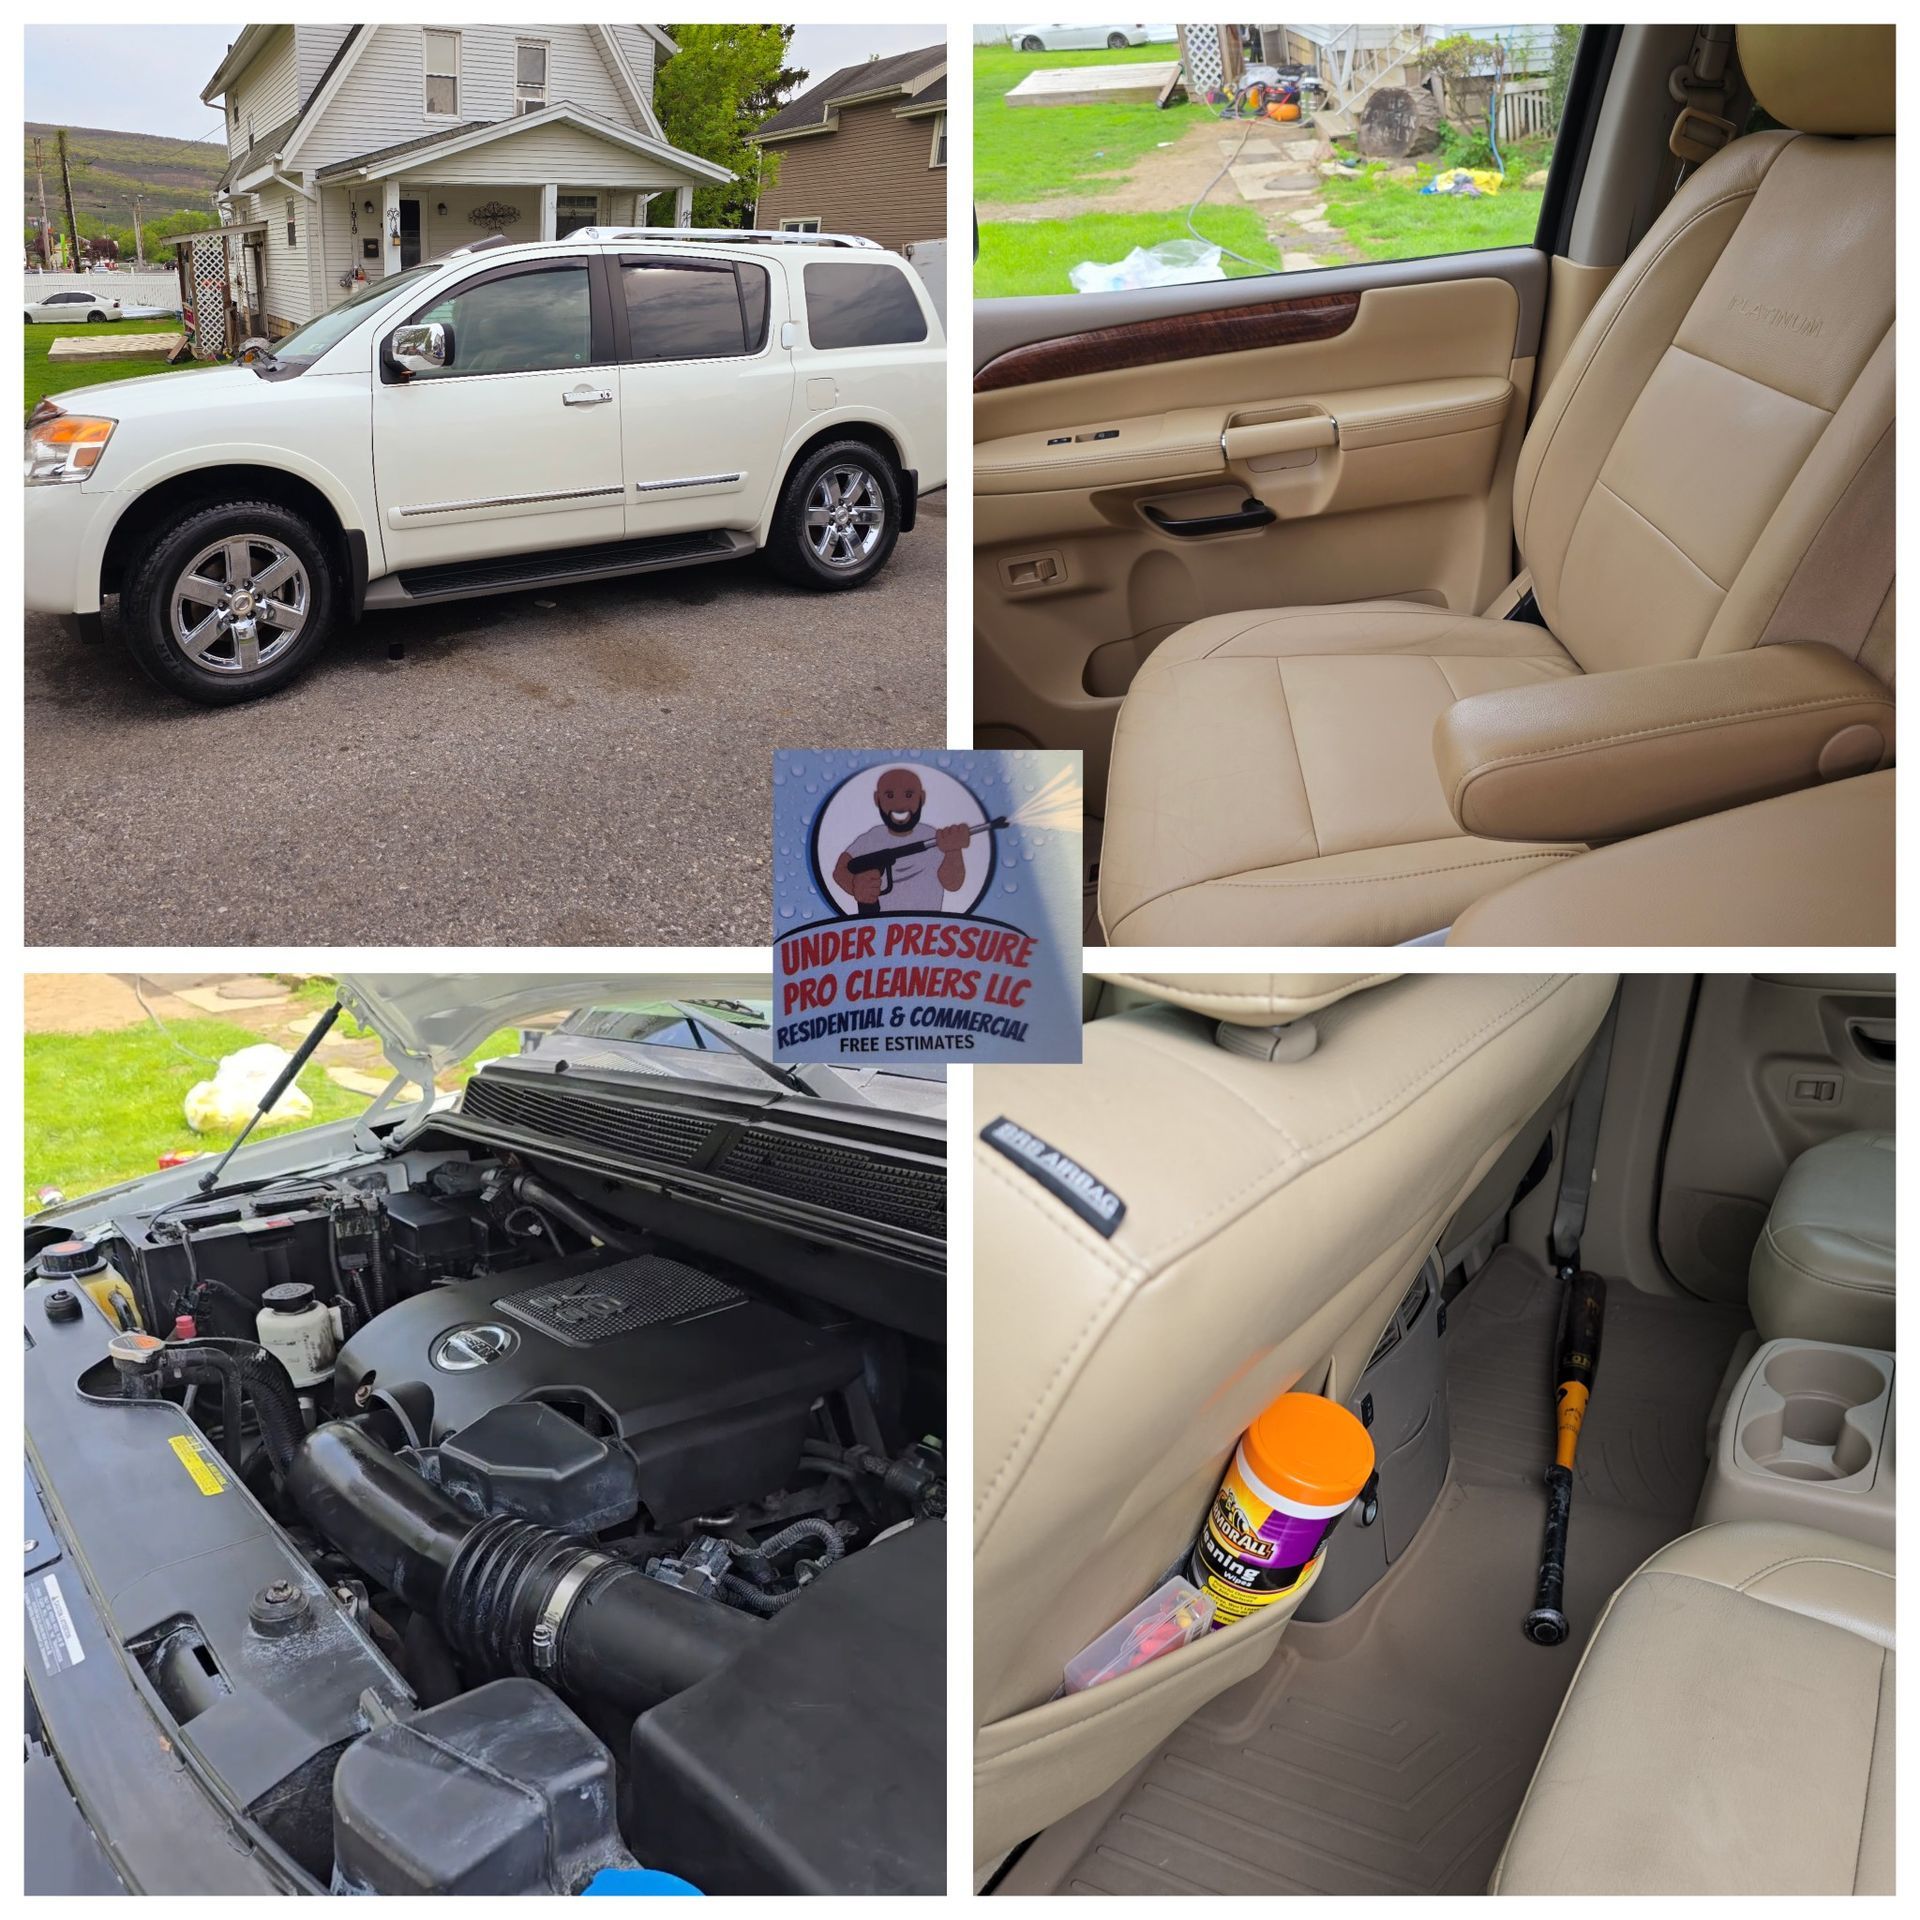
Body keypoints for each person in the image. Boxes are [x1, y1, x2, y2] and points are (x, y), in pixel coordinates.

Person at [831, 766, 971, 913]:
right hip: (880, 929)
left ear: (921, 798)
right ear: (877, 799)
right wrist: (855, 886)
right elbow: (840, 871)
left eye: (909, 795)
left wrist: (953, 851)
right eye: (889, 795)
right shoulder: (871, 838)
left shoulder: (935, 837)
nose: (899, 805)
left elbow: (953, 884)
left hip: (928, 929)